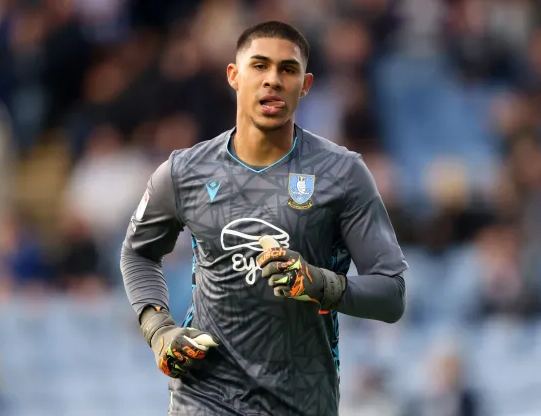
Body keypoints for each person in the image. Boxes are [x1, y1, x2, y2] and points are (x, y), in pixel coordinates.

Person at [120, 20, 408, 416]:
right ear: (234, 76)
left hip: (303, 401)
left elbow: (392, 294)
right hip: (204, 398)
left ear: (304, 85)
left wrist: (317, 283)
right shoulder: (183, 171)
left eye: (287, 70)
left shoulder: (342, 173)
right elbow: (138, 253)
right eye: (259, 66)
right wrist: (158, 330)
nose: (273, 79)